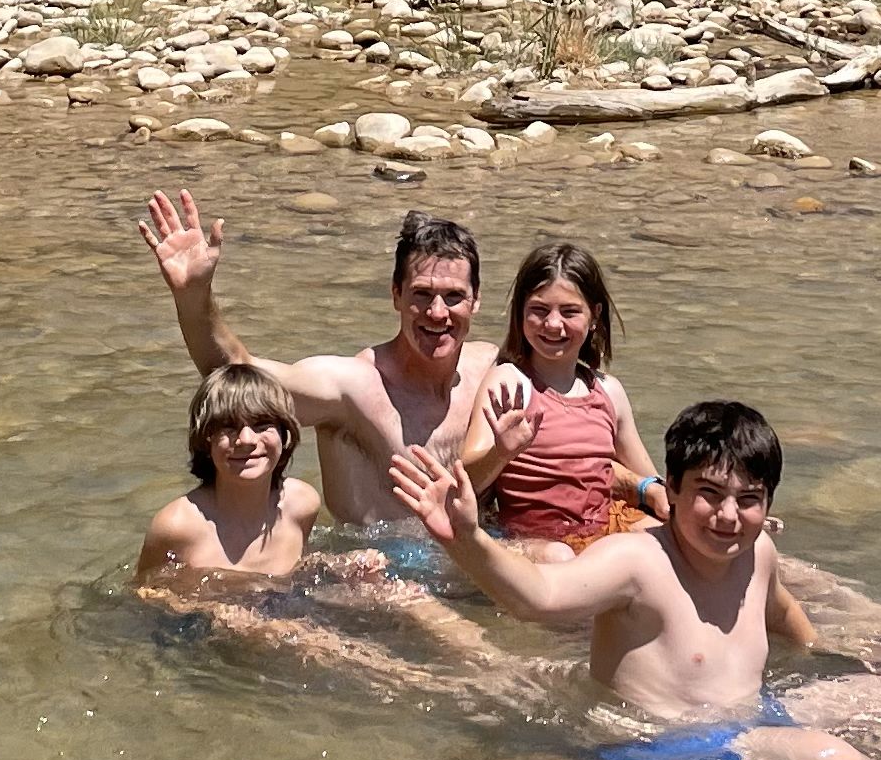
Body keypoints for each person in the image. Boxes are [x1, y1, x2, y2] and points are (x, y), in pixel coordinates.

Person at [384, 399, 881, 760]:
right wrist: (467, 540)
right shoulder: (637, 561)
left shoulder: (759, 553)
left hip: (748, 721)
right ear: (672, 492)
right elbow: (538, 597)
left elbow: (781, 611)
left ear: (767, 503)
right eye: (709, 493)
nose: (728, 516)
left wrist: (816, 650)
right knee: (834, 758)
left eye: (748, 500)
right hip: (665, 753)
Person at [137, 191, 510, 535]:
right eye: (422, 295)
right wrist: (193, 296)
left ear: (476, 301)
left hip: (474, 555)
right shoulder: (352, 387)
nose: (437, 312)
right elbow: (238, 370)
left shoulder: (491, 367)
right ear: (396, 295)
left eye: (454, 297)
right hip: (382, 574)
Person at [470, 240, 667, 554]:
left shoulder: (608, 391)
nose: (552, 324)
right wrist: (501, 454)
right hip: (534, 543)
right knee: (560, 556)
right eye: (539, 310)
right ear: (521, 311)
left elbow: (651, 479)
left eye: (570, 312)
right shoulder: (510, 382)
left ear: (594, 316)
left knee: (684, 543)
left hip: (604, 526)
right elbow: (464, 484)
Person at [136, 362, 318, 584]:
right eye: (228, 427)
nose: (247, 440)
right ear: (206, 440)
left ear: (284, 433)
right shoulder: (176, 527)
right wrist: (215, 608)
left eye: (262, 425)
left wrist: (347, 574)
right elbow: (143, 594)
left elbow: (303, 578)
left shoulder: (302, 504)